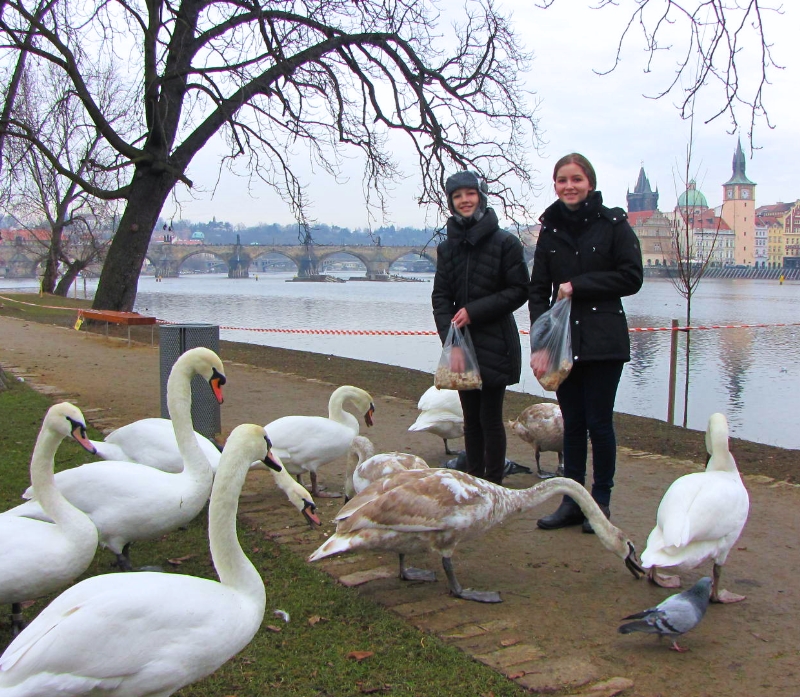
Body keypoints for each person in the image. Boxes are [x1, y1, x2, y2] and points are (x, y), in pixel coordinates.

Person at [529, 153, 643, 532]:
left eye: (576, 179)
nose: (569, 186)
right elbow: (537, 292)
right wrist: (539, 345)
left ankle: (601, 503)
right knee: (572, 424)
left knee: (599, 423)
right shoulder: (549, 231)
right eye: (562, 180)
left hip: (603, 340)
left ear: (589, 183)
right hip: (563, 343)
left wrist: (580, 286)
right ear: (555, 185)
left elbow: (631, 277)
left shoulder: (613, 225)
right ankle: (572, 502)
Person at [432, 170, 530, 485]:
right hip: (461, 345)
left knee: (490, 418)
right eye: (457, 196)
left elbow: (518, 291)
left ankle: (493, 483)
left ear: (480, 197)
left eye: (469, 194)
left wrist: (473, 312)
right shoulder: (447, 249)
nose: (464, 200)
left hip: (495, 341)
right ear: (451, 202)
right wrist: (451, 342)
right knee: (469, 420)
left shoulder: (506, 243)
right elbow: (441, 297)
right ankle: (473, 480)